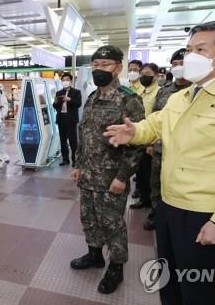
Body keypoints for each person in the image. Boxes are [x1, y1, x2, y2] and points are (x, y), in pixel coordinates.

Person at [103, 21, 215, 305]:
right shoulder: (183, 96)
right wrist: (135, 132)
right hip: (169, 205)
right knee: (169, 283)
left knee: (197, 291)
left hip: (203, 212)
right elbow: (158, 125)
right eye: (188, 49)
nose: (190, 56)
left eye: (200, 49)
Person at [70, 45, 145, 294]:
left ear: (118, 68)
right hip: (89, 175)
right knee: (89, 219)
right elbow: (84, 135)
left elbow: (136, 143)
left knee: (112, 223)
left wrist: (123, 177)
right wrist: (78, 164)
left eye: (105, 65)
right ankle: (94, 254)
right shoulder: (92, 98)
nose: (99, 70)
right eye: (96, 66)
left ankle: (116, 267)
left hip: (112, 177)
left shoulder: (128, 100)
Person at [143, 48, 192, 231]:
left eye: (182, 64)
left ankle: (176, 220)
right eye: (175, 65)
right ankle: (157, 214)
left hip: (185, 153)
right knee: (156, 183)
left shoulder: (198, 91)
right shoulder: (165, 92)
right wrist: (150, 142)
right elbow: (156, 118)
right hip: (160, 149)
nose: (178, 68)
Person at [130, 63, 160, 210]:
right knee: (140, 172)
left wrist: (152, 143)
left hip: (150, 140)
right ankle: (143, 198)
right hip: (137, 137)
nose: (143, 77)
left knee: (150, 174)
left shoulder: (159, 93)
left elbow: (157, 119)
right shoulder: (139, 92)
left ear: (156, 75)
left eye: (147, 73)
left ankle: (151, 203)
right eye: (142, 74)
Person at [53, 72, 82, 166]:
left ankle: (75, 160)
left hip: (71, 120)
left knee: (73, 141)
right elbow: (55, 106)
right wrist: (57, 102)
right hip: (61, 119)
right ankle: (65, 159)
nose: (65, 81)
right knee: (63, 141)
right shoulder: (59, 92)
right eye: (64, 80)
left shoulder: (76, 92)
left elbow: (78, 104)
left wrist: (69, 100)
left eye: (67, 80)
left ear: (71, 81)